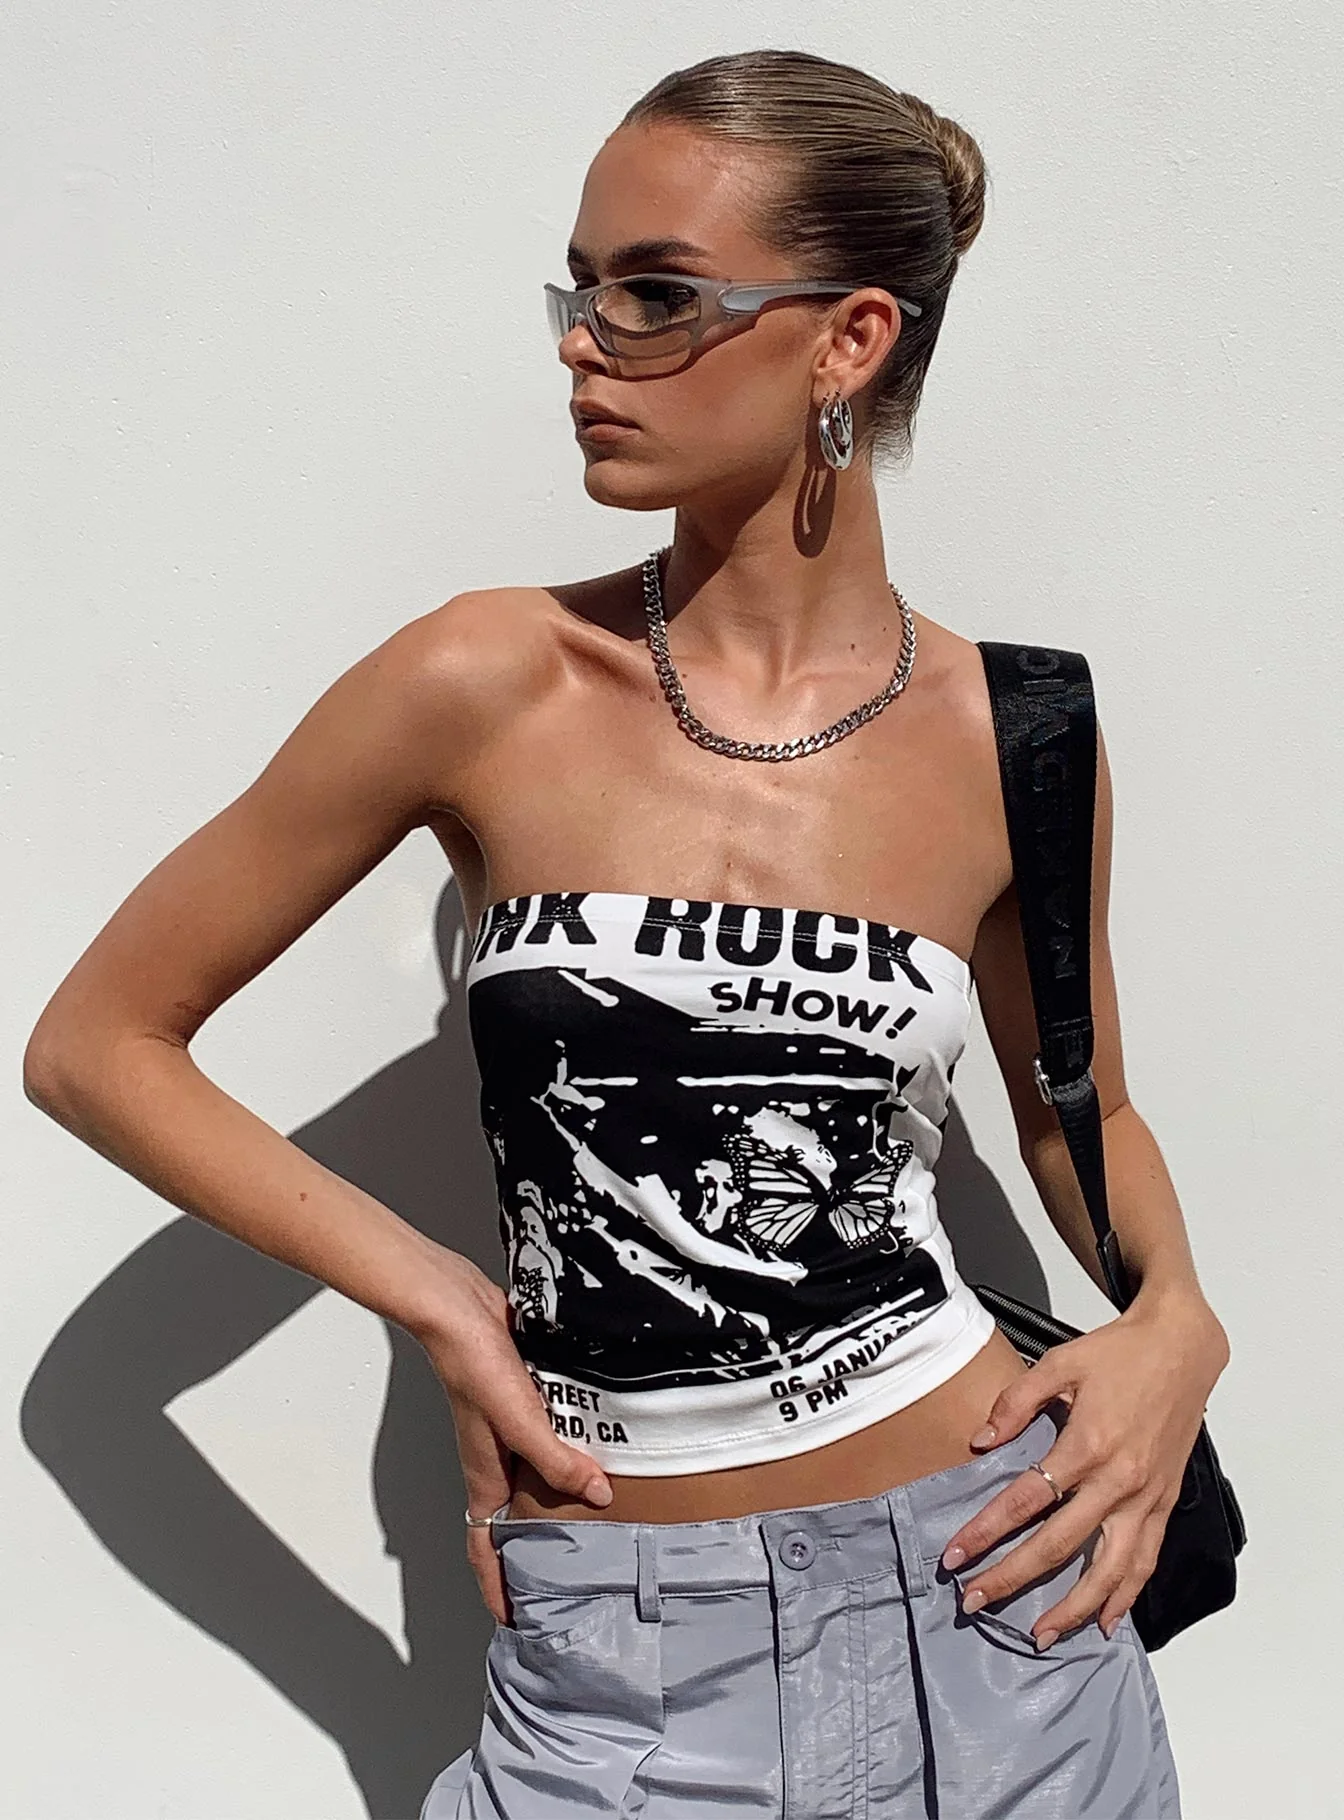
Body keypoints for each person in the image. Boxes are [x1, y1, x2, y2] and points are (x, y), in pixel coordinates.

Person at [24, 45, 1229, 1820]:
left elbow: (1081, 1112)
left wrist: (1178, 1320)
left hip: (1003, 1607)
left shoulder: (1019, 735)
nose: (585, 344)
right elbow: (97, 1046)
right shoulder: (484, 679)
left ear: (849, 340)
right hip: (622, 1655)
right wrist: (440, 1295)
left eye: (659, 296)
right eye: (580, 289)